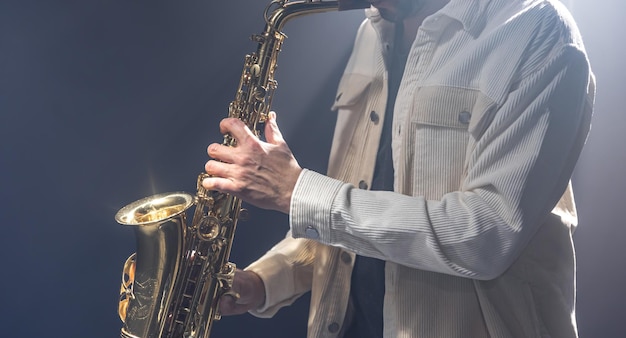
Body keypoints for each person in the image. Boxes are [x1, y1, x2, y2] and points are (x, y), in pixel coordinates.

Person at [202, 0, 595, 336]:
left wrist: (296, 191)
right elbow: (357, 209)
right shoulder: (372, 32)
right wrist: (261, 281)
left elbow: (486, 235)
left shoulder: (538, 31)